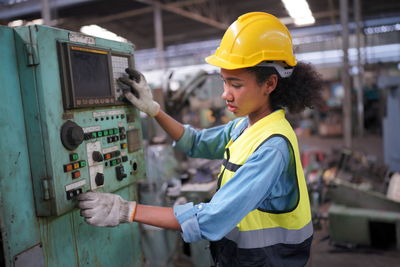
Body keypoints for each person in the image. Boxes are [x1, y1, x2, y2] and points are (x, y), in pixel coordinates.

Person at [78, 12, 323, 267]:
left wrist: (127, 211)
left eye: (236, 85)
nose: (225, 94)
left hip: (268, 261)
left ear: (270, 84)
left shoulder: (273, 146)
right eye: (224, 82)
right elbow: (194, 142)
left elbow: (212, 219)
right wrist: (153, 110)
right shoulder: (243, 127)